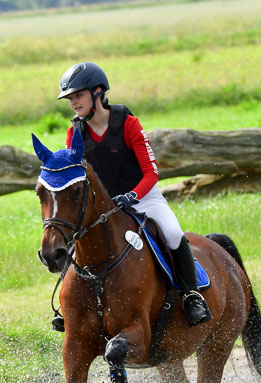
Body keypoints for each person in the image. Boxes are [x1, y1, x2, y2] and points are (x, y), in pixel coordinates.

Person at [58, 61, 212, 328]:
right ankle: (69, 309)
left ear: (98, 92)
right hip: (103, 207)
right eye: (70, 98)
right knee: (71, 244)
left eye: (78, 95)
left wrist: (132, 196)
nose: (73, 103)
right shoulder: (75, 133)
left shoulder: (128, 124)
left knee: (173, 233)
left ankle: (191, 295)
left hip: (143, 197)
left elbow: (151, 173)